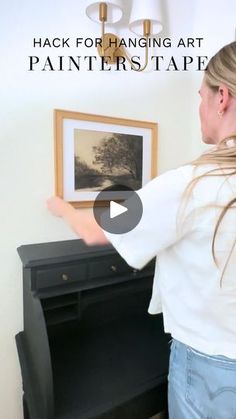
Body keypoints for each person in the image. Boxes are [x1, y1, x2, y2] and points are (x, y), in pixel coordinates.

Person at [47, 41, 236, 419]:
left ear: (222, 98)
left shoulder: (192, 184)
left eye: (200, 96)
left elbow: (94, 231)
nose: (198, 107)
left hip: (210, 369)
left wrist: (62, 207)